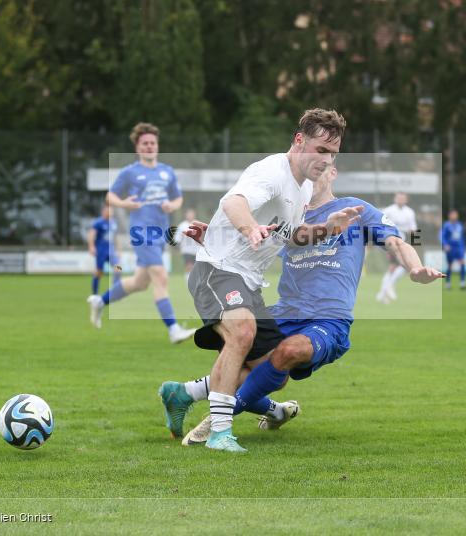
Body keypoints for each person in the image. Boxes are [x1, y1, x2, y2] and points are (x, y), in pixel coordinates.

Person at [168, 165, 445, 446]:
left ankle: (218, 420)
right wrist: (216, 238)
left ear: (333, 173)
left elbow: (396, 242)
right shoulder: (289, 216)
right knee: (253, 362)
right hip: (284, 311)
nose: (312, 178)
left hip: (329, 320)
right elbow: (253, 242)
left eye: (321, 169)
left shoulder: (355, 209)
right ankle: (186, 394)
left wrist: (415, 268)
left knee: (289, 351)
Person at [159, 108, 362, 453]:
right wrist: (249, 227)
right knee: (242, 331)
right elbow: (234, 202)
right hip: (218, 270)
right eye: (320, 150)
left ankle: (183, 393)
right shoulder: (271, 171)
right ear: (299, 141)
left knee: (273, 369)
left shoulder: (303, 188)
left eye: (333, 154)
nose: (326, 160)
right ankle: (220, 433)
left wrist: (327, 229)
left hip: (247, 282)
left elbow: (292, 235)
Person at [86, 122, 195, 344]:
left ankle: (100, 301)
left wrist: (172, 206)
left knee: (139, 282)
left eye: (152, 143)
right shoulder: (130, 172)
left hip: (159, 234)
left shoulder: (167, 172)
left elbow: (178, 198)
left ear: (157, 145)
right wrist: (124, 203)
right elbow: (110, 196)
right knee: (161, 277)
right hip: (141, 233)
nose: (149, 146)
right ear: (137, 147)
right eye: (145, 143)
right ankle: (173, 329)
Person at [376, 192, 418, 303]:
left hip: (404, 241)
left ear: (406, 200)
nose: (400, 200)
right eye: (399, 198)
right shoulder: (388, 210)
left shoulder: (410, 212)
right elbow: (380, 224)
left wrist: (414, 243)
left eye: (402, 198)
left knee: (394, 267)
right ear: (395, 199)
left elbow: (413, 229)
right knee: (402, 266)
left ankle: (383, 292)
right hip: (391, 241)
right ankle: (389, 287)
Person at [87, 202, 119, 296]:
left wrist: (118, 249)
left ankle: (115, 291)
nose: (110, 212)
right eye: (108, 210)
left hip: (111, 251)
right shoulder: (98, 222)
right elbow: (91, 234)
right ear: (104, 211)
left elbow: (115, 237)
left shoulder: (113, 223)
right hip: (101, 251)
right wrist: (91, 246)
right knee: (99, 272)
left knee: (118, 268)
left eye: (111, 211)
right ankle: (95, 293)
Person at [442, 209, 466, 290]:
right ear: (449, 216)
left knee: (462, 263)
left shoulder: (460, 225)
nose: (454, 216)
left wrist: (463, 247)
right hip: (450, 248)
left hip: (459, 248)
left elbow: (462, 237)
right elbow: (443, 236)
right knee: (450, 266)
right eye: (453, 214)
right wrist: (445, 245)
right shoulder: (446, 225)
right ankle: (448, 283)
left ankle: (462, 283)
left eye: (455, 215)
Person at [174, 208, 201, 281]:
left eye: (191, 214)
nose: (190, 215)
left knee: (196, 268)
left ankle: (196, 282)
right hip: (186, 250)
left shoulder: (198, 224)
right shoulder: (182, 225)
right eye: (189, 214)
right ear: (186, 215)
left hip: (197, 250)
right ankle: (188, 282)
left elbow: (202, 236)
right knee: (189, 266)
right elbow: (177, 237)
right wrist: (177, 245)